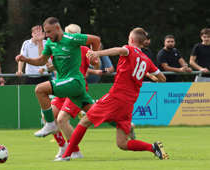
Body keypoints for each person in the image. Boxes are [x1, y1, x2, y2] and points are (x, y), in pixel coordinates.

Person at [54, 28, 169, 161]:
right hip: (129, 103)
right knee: (122, 143)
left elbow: (119, 50)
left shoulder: (129, 49)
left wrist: (97, 53)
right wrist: (148, 74)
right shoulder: (147, 60)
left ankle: (66, 155)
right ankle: (153, 147)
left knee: (85, 121)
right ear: (143, 42)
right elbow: (162, 79)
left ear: (131, 40)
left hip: (117, 96)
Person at [15, 17, 101, 138]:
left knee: (42, 92)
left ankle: (53, 129)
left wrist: (94, 56)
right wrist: (26, 59)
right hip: (64, 83)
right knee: (96, 114)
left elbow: (96, 42)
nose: (47, 35)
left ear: (57, 28)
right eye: (46, 32)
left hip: (75, 82)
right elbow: (42, 60)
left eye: (49, 32)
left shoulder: (74, 40)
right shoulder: (51, 43)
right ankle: (125, 126)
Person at [38, 24, 101, 159]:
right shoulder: (59, 46)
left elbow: (96, 64)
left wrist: (95, 59)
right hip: (62, 86)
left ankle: (75, 151)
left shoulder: (83, 49)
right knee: (47, 116)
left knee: (62, 119)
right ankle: (64, 147)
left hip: (74, 88)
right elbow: (51, 64)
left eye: (71, 34)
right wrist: (45, 68)